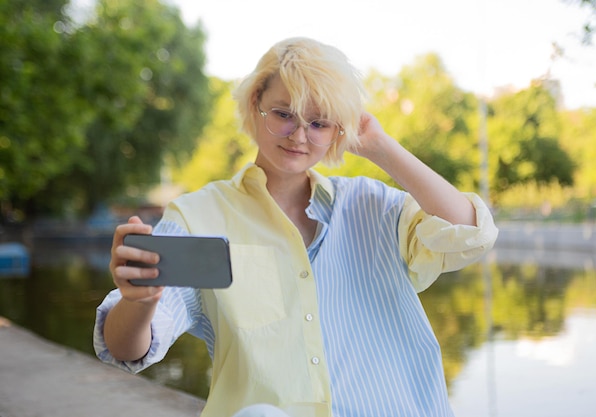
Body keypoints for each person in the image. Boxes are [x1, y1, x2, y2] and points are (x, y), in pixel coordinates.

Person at [94, 37, 498, 417]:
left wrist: (379, 146)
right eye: (284, 114)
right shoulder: (199, 217)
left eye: (319, 123)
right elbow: (125, 349)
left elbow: (469, 234)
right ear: (256, 104)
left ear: (341, 127)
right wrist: (139, 301)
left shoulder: (373, 206)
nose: (299, 136)